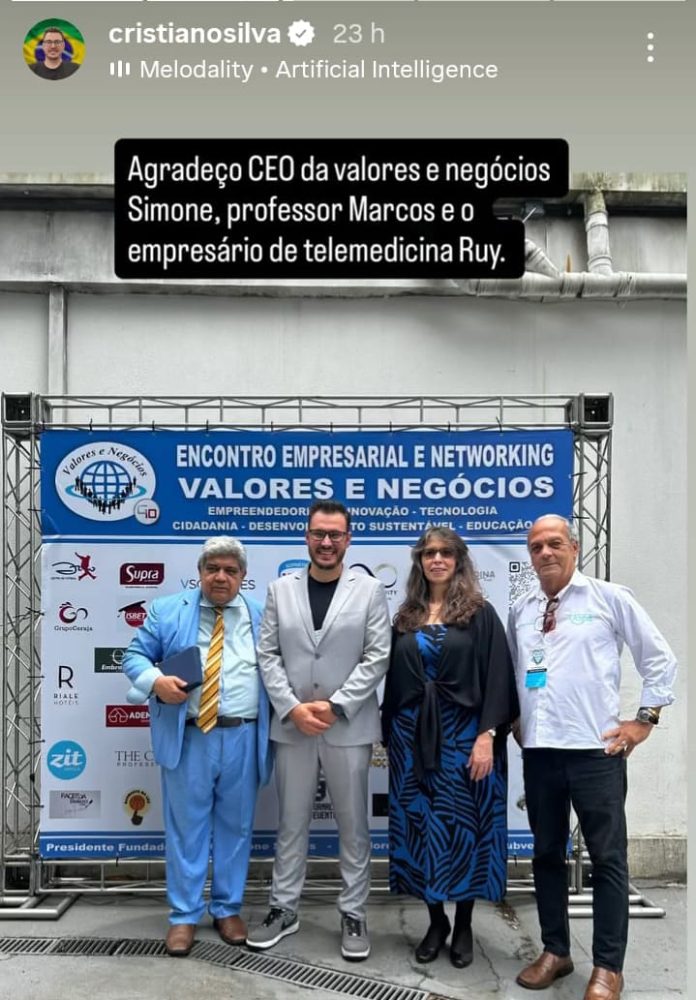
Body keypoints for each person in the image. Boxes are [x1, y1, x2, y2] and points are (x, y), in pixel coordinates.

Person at [507, 515, 676, 1000]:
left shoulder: (609, 598)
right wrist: (517, 719)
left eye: (554, 543)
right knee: (546, 853)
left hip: (595, 753)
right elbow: (517, 670)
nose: (545, 552)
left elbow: (659, 659)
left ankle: (608, 967)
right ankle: (555, 951)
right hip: (541, 752)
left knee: (607, 858)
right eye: (536, 546)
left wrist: (643, 721)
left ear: (574, 547)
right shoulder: (522, 608)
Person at [247, 500, 391, 961]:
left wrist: (336, 705)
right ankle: (283, 908)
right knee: (291, 822)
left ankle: (353, 912)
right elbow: (267, 655)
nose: (326, 542)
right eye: (318, 533)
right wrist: (291, 708)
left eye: (335, 535)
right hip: (293, 725)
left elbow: (377, 656)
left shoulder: (370, 590)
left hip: (347, 724)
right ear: (306, 536)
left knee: (354, 826)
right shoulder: (280, 589)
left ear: (348, 539)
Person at [122, 537, 272, 957]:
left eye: (230, 570)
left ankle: (227, 908)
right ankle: (184, 915)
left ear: (243, 576)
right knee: (186, 829)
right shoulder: (167, 610)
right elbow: (133, 657)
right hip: (190, 736)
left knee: (236, 828)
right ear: (200, 572)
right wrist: (156, 681)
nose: (221, 577)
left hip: (244, 735)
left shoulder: (262, 615)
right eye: (213, 569)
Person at [381, 527, 518, 969]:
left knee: (465, 830)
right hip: (411, 743)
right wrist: (389, 735)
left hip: (465, 740)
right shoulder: (406, 616)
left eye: (445, 553)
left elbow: (498, 677)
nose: (436, 559)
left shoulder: (479, 613)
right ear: (419, 562)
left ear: (459, 560)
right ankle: (436, 920)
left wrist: (486, 737)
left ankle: (463, 924)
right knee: (420, 829)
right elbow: (394, 679)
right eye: (428, 553)